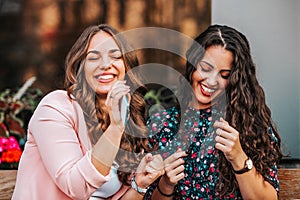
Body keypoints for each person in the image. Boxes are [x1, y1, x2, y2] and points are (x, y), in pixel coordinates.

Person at [12, 24, 164, 200]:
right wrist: (115, 129)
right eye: (94, 58)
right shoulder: (56, 107)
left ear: (127, 67)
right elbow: (75, 187)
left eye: (115, 56)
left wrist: (140, 184)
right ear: (81, 67)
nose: (106, 65)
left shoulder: (127, 115)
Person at [144, 24, 282, 199]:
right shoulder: (162, 124)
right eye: (206, 69)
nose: (211, 81)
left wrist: (238, 158)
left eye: (224, 75)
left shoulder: (248, 123)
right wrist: (166, 184)